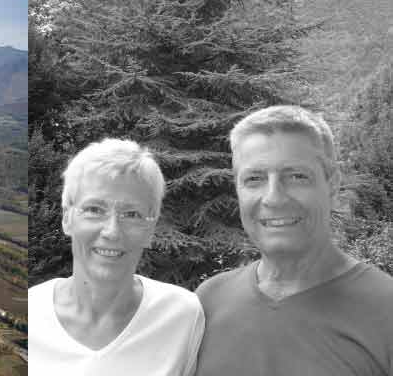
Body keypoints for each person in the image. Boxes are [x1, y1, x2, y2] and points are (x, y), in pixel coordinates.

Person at [194, 105, 393, 375]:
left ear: (332, 183)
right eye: (254, 179)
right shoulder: (207, 303)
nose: (274, 198)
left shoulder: (385, 309)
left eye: (297, 176)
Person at [30, 138, 205, 376]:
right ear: (67, 218)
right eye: (94, 210)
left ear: (150, 229)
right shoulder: (30, 315)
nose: (112, 231)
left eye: (131, 214)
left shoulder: (181, 316)